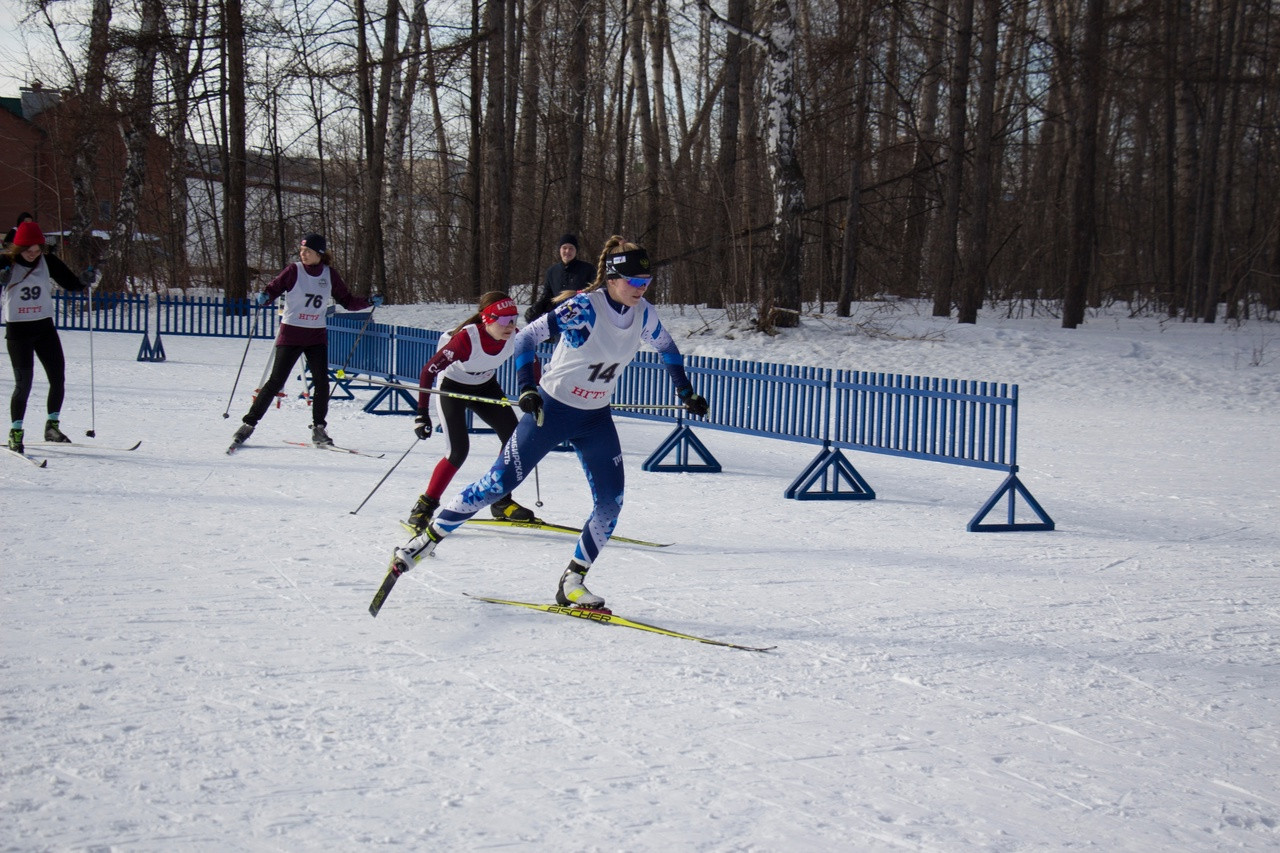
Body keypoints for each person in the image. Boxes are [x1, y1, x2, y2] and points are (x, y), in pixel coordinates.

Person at [391, 235, 710, 611]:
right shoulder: (584, 308)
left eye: (646, 282)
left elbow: (668, 349)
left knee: (611, 503)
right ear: (612, 280)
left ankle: (572, 582)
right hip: (553, 410)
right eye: (634, 282)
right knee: (499, 483)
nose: (642, 289)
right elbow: (527, 337)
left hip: (595, 418)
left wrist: (685, 392)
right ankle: (424, 541)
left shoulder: (644, 314)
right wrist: (527, 387)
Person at [229, 233, 380, 449]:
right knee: (275, 381)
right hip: (291, 334)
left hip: (316, 335)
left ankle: (319, 428)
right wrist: (266, 297)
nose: (303, 255)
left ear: (319, 254)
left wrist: (368, 301)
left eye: (308, 251)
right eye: (301, 251)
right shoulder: (294, 270)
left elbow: (347, 301)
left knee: (322, 383)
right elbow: (274, 288)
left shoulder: (329, 275)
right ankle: (248, 425)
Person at [404, 291, 537, 533]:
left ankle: (500, 500)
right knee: (458, 451)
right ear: (488, 320)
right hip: (452, 387)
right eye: (504, 320)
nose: (511, 326)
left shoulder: (515, 337)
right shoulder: (466, 340)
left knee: (513, 441)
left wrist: (532, 392)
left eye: (514, 319)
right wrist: (421, 413)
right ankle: (424, 506)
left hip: (486, 386)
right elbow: (427, 371)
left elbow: (531, 362)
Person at [2, 220, 95, 453]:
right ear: (18, 248)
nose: (33, 254)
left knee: (57, 377)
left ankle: (52, 427)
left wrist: (84, 279)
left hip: (44, 328)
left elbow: (71, 283)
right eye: (28, 250)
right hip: (18, 332)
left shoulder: (47, 261)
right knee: (23, 385)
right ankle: (16, 432)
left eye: (37, 249)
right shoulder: (6, 263)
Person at [524, 233, 596, 332]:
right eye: (564, 248)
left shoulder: (588, 269)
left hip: (581, 321)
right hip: (560, 322)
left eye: (571, 248)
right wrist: (536, 309)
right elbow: (548, 297)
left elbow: (594, 295)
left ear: (576, 251)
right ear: (559, 249)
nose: (567, 251)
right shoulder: (552, 271)